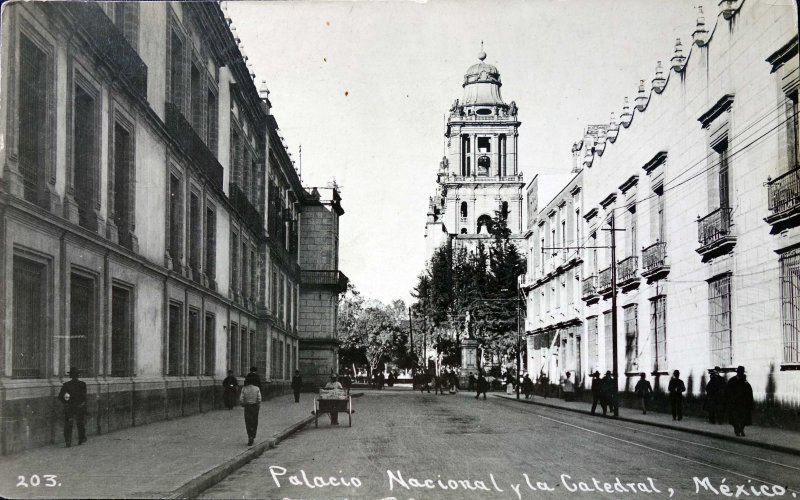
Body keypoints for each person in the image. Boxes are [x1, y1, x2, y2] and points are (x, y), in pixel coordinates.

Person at [58, 367, 87, 447]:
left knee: (68, 424)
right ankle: (81, 439)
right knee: (80, 423)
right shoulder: (82, 384)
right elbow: (84, 397)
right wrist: (82, 405)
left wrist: (66, 403)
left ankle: (68, 441)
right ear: (78, 375)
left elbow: (60, 396)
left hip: (69, 408)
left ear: (70, 376)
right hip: (79, 407)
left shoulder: (66, 385)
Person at [726, 366, 754, 437]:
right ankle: (737, 430)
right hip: (734, 403)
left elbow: (749, 392)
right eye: (740, 372)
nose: (741, 373)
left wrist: (750, 402)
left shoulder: (745, 381)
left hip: (743, 404)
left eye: (742, 372)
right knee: (734, 419)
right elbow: (728, 392)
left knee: (744, 419)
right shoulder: (732, 380)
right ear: (737, 372)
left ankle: (741, 430)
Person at [239, 375, 262, 446]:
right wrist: (258, 405)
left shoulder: (244, 389)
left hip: (247, 406)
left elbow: (241, 399)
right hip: (254, 406)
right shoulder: (257, 388)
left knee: (248, 421)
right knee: (254, 421)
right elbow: (259, 399)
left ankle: (249, 436)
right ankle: (253, 435)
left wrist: (243, 404)